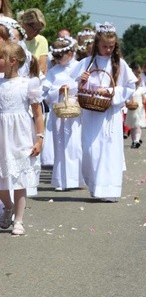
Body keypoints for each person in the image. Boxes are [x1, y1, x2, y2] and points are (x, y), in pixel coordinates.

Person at [71, 22, 137, 202]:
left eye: (111, 46)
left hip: (110, 113)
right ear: (97, 45)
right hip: (91, 113)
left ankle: (109, 190)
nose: (108, 50)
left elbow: (130, 85)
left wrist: (109, 92)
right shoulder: (86, 63)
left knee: (109, 150)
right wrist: (80, 80)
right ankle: (95, 186)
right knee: (90, 150)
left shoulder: (119, 64)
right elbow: (70, 86)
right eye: (104, 46)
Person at [0, 42, 44, 235]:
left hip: (20, 135)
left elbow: (38, 113)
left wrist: (39, 138)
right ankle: (7, 206)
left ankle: (18, 220)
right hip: (1, 136)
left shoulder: (28, 84)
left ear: (12, 61)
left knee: (19, 179)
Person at [42, 36, 84, 191]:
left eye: (61, 56)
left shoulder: (80, 66)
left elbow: (84, 85)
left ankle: (77, 179)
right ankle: (61, 180)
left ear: (70, 53)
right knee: (60, 145)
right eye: (56, 57)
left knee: (75, 145)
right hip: (59, 111)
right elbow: (44, 94)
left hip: (75, 110)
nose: (58, 60)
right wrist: (57, 91)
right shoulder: (53, 72)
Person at [19, 8, 48, 75]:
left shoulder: (41, 40)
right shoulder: (15, 39)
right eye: (35, 29)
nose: (37, 32)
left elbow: (42, 67)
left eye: (39, 30)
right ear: (25, 24)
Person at [125, 63, 146, 148]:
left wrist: (144, 101)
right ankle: (134, 141)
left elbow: (143, 97)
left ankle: (136, 140)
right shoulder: (130, 83)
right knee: (133, 126)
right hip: (131, 107)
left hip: (139, 107)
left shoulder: (140, 87)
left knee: (137, 125)